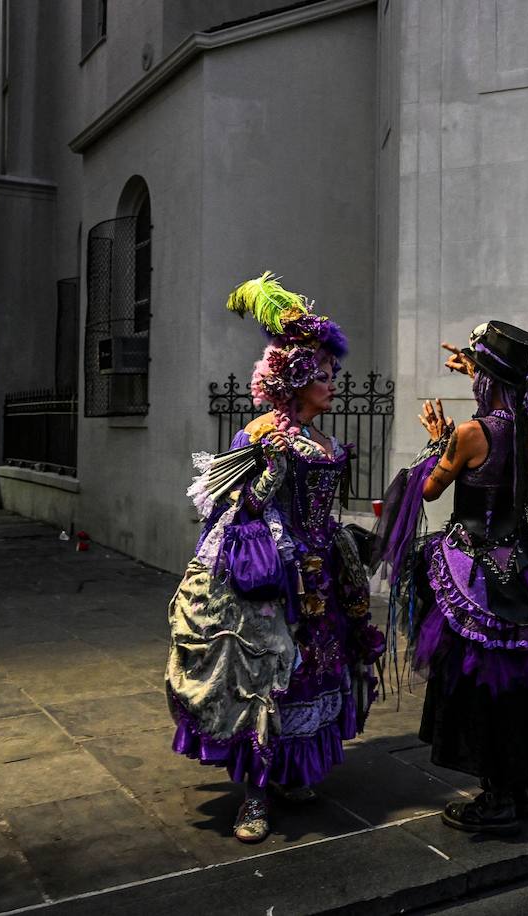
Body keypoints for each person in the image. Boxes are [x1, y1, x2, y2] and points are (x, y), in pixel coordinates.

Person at [166, 274, 385, 844]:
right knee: (266, 680)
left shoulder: (324, 440)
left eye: (332, 375)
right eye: (325, 376)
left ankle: (290, 776)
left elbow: (323, 512)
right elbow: (234, 510)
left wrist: (348, 541)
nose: (333, 384)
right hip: (274, 578)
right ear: (296, 380)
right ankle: (255, 795)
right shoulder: (262, 435)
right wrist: (271, 473)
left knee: (314, 673)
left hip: (322, 573)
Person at [377, 320, 528, 835]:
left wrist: (438, 442)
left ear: (486, 379)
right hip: (521, 570)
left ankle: (497, 798)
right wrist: (482, 367)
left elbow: (429, 491)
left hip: (474, 576)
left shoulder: (470, 433)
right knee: (519, 685)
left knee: (476, 685)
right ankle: (520, 790)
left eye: (475, 372)